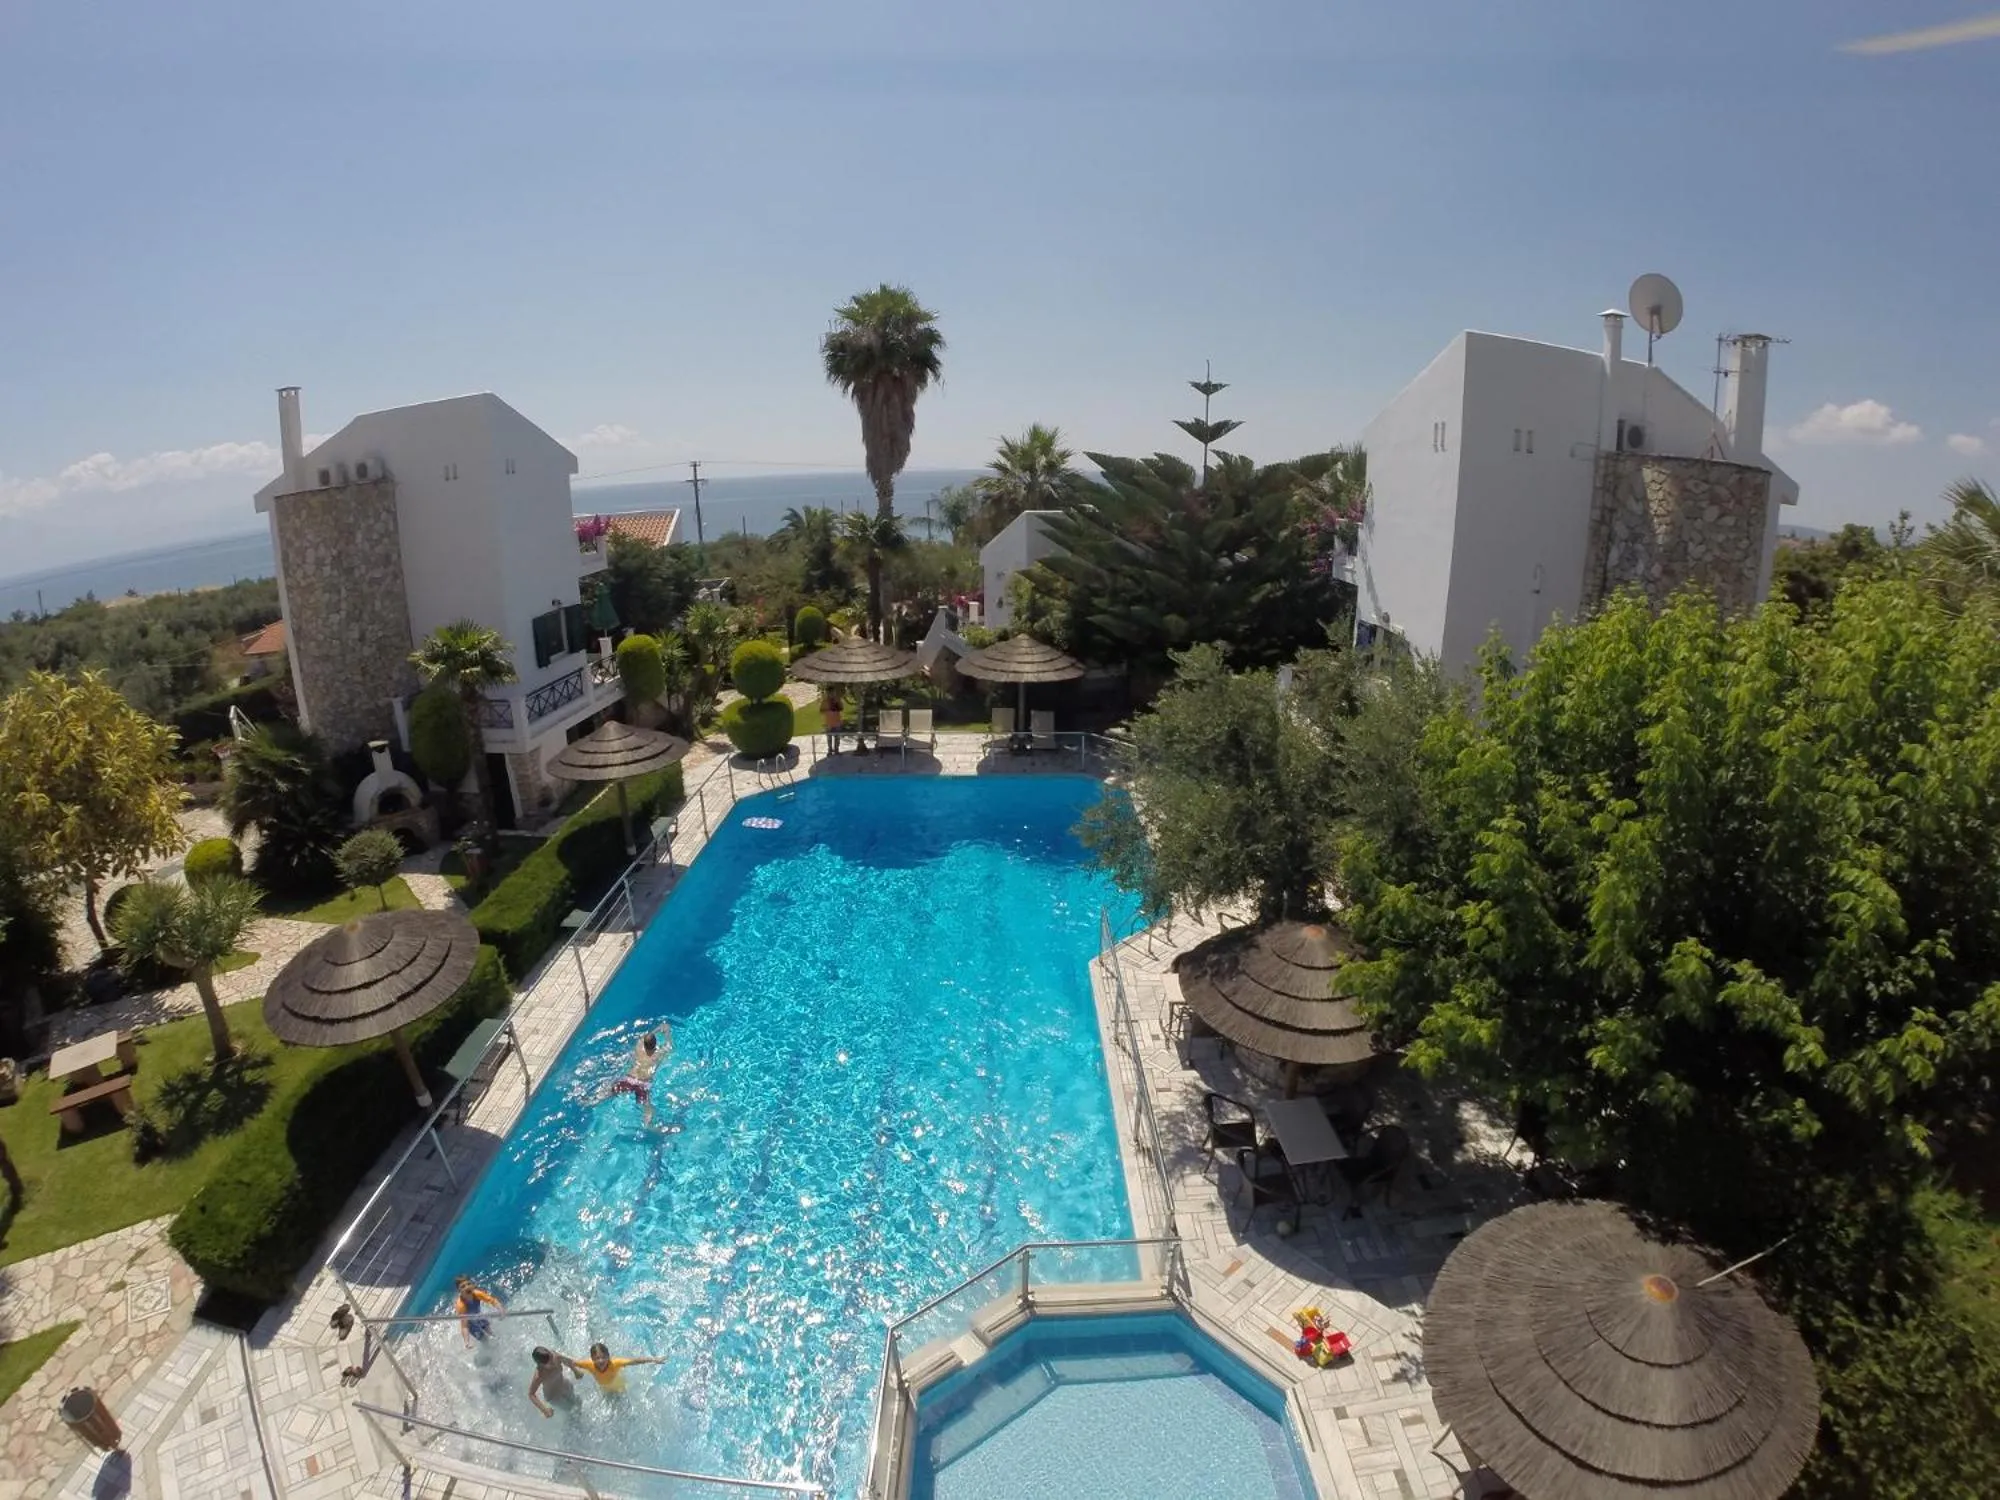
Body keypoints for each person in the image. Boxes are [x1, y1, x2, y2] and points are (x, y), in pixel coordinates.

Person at [604, 1028, 670, 1124]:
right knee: (647, 1106)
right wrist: (667, 1032)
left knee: (609, 1091)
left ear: (644, 1043)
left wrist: (656, 1029)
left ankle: (592, 1100)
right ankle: (647, 1124)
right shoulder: (659, 1054)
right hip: (643, 1084)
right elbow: (669, 1045)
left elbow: (645, 1037)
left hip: (629, 1078)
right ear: (655, 1044)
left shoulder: (639, 1046)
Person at [566, 1341, 663, 1393]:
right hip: (604, 1388)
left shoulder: (616, 1363)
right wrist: (575, 1372)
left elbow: (635, 1361)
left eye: (603, 1357)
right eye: (597, 1358)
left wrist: (654, 1359)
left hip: (618, 1385)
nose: (601, 1361)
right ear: (592, 1359)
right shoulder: (588, 1364)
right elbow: (571, 1362)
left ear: (608, 1356)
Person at [527, 1345, 578, 1417]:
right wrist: (545, 1410)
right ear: (541, 1365)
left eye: (551, 1357)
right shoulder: (540, 1375)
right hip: (554, 1397)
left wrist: (576, 1371)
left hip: (564, 1384)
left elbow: (568, 1361)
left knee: (577, 1402)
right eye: (550, 1363)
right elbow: (531, 1394)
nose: (553, 1362)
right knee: (570, 1410)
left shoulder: (555, 1356)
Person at [454, 1275, 502, 1346]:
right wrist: (466, 1342)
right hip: (471, 1324)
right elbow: (464, 1326)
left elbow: (493, 1301)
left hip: (479, 1316)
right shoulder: (461, 1305)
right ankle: (488, 1349)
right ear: (459, 1291)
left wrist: (501, 1310)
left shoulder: (477, 1294)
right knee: (484, 1340)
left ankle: (498, 1345)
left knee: (491, 1333)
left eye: (469, 1284)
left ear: (472, 1285)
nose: (467, 1287)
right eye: (463, 1286)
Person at [821, 688, 844, 753]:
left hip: (837, 722)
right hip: (829, 722)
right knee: (829, 737)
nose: (831, 694)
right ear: (828, 693)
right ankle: (830, 750)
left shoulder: (837, 700)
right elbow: (821, 710)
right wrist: (827, 710)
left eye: (832, 693)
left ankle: (836, 750)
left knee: (837, 737)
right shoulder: (825, 701)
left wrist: (837, 703)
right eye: (829, 693)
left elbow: (841, 708)